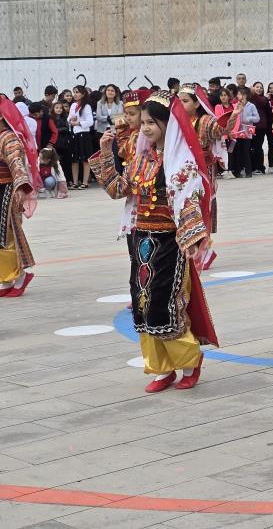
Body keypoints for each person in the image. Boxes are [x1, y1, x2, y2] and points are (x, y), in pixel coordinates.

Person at [92, 90, 218, 392]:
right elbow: (118, 190)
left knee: (166, 303)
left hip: (171, 242)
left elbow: (189, 202)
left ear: (167, 124)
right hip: (141, 240)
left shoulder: (181, 162)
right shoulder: (140, 158)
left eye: (152, 123)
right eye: (144, 122)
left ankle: (189, 361)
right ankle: (161, 367)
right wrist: (106, 153)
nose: (146, 128)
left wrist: (192, 238)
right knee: (142, 302)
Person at [0, 95, 40, 299]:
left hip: (6, 190)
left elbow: (16, 164)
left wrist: (20, 188)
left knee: (6, 236)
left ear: (0, 116)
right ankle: (5, 279)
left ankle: (20, 276)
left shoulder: (10, 139)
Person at [177, 82, 228, 232]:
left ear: (197, 103)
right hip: (182, 172)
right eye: (179, 101)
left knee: (202, 204)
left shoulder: (205, 120)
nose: (181, 104)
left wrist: (231, 119)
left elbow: (219, 130)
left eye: (185, 101)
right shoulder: (176, 122)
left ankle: (203, 239)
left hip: (202, 171)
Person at [67, 85, 94, 189]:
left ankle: (85, 182)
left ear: (83, 94)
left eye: (77, 92)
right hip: (74, 133)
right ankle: (75, 182)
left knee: (85, 159)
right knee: (74, 159)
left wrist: (78, 123)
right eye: (74, 92)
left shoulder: (86, 106)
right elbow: (69, 118)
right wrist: (71, 119)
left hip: (83, 134)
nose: (75, 94)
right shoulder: (73, 105)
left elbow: (90, 122)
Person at [51, 100, 74, 188]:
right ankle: (58, 181)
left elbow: (67, 129)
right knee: (57, 163)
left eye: (61, 108)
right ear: (53, 109)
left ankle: (68, 180)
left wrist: (57, 130)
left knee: (67, 163)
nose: (59, 109)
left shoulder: (65, 117)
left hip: (65, 143)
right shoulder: (51, 119)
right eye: (57, 107)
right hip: (56, 143)